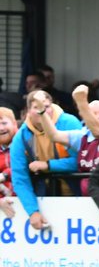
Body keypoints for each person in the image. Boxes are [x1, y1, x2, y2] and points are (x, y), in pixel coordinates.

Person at [9, 89, 83, 231]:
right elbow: (19, 178)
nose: (43, 111)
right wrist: (33, 211)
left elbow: (82, 161)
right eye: (37, 107)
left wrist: (48, 165)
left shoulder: (69, 122)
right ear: (28, 111)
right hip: (45, 200)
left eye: (46, 106)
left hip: (79, 197)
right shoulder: (21, 136)